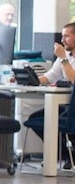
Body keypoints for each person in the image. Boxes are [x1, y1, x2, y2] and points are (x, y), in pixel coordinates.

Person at [20, 21, 75, 151]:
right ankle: (63, 153)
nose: (62, 40)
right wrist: (29, 79)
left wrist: (63, 58)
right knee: (35, 118)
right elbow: (49, 78)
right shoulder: (65, 56)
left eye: (66, 36)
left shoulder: (64, 57)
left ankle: (67, 154)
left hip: (72, 108)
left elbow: (73, 79)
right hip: (67, 104)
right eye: (62, 36)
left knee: (56, 119)